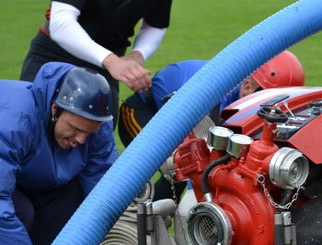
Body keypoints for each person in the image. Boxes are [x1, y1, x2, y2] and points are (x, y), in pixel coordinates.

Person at [0, 62, 118, 245]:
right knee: (22, 213)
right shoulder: (15, 120)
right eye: (75, 129)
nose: (81, 140)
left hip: (24, 174)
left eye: (88, 133)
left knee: (71, 200)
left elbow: (102, 186)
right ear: (55, 108)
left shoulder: (96, 126)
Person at [118, 50, 305, 201]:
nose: (271, 110)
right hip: (144, 112)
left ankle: (156, 222)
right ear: (247, 86)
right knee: (178, 166)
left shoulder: (240, 95)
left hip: (181, 119)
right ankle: (130, 221)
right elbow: (199, 156)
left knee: (180, 173)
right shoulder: (215, 97)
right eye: (265, 101)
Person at [20, 0, 176, 127]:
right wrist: (111, 61)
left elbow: (155, 25)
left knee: (98, 132)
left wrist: (136, 56)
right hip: (53, 55)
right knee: (31, 122)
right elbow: (61, 24)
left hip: (105, 68)